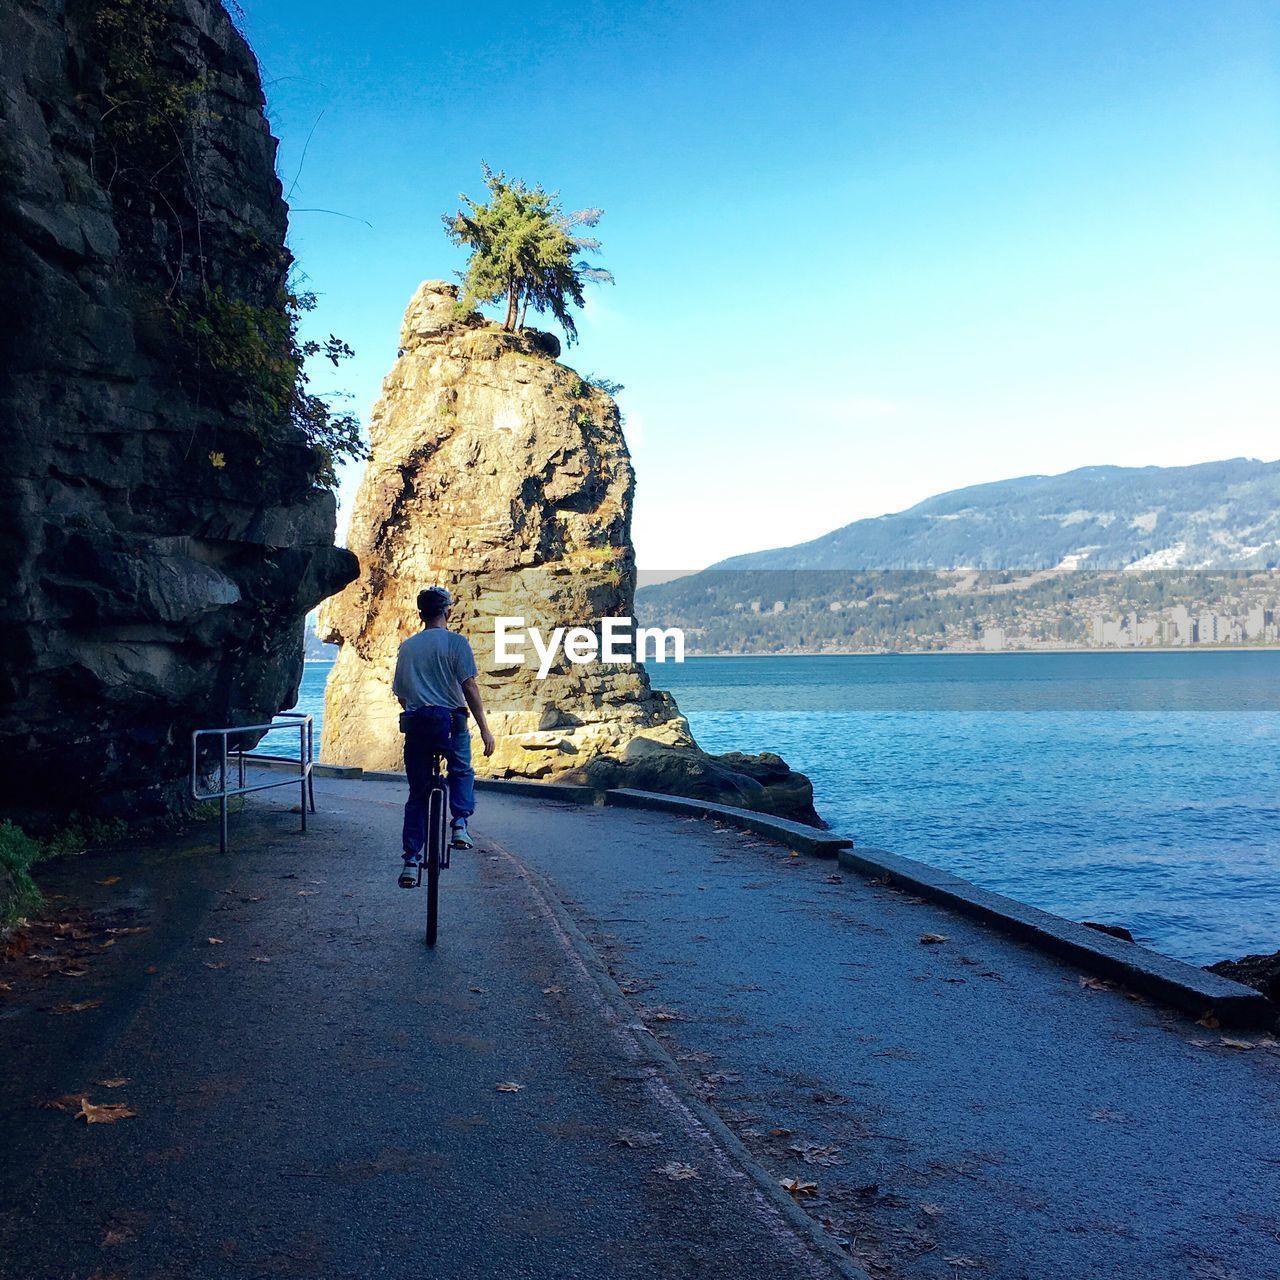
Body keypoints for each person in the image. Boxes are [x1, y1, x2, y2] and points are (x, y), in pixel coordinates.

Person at [392, 586, 495, 888]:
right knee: (461, 769)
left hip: (417, 723)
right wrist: (485, 729)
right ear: (448, 611)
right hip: (451, 722)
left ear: (421, 614)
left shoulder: (407, 647)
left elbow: (401, 693)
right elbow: (470, 688)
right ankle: (460, 824)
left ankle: (411, 861)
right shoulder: (456, 643)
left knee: (417, 794)